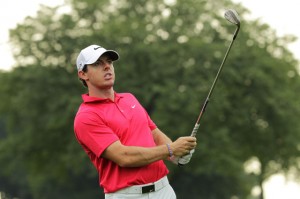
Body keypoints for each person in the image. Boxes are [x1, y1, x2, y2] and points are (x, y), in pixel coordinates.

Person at [73, 44, 197, 199]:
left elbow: (154, 133)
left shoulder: (129, 98)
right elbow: (124, 157)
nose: (107, 67)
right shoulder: (86, 117)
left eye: (109, 62)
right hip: (127, 195)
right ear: (83, 74)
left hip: (164, 190)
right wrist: (170, 149)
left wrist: (176, 156)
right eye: (98, 64)